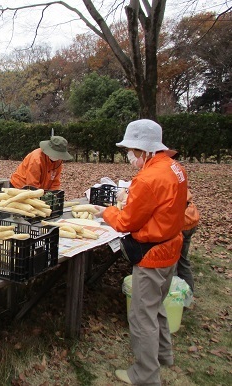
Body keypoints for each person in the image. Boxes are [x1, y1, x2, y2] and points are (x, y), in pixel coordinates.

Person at [97, 119, 188, 385]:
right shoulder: (175, 167)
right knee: (156, 307)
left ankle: (145, 374)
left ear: (144, 150)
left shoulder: (148, 178)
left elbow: (126, 222)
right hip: (171, 246)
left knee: (141, 316)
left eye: (131, 150)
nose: (129, 155)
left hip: (152, 255)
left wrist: (106, 212)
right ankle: (163, 354)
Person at [165, 150, 200, 293]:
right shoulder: (178, 170)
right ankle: (188, 295)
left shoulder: (167, 173)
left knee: (172, 262)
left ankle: (175, 296)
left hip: (181, 222)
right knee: (183, 260)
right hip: (190, 218)